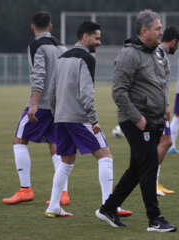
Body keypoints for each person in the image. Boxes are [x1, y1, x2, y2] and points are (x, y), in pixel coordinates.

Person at [95, 9, 176, 232]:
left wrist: (165, 105)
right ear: (144, 31)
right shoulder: (129, 55)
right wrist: (138, 118)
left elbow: (161, 83)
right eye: (158, 29)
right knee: (149, 164)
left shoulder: (157, 52)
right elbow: (118, 92)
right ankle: (155, 219)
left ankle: (108, 208)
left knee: (137, 168)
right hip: (137, 121)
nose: (162, 32)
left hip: (155, 119)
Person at [46, 21, 132, 218]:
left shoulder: (62, 58)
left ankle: (53, 206)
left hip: (61, 119)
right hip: (80, 118)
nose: (99, 42)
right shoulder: (86, 58)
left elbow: (51, 92)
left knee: (66, 162)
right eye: (97, 38)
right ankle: (108, 206)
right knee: (106, 157)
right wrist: (93, 119)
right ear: (85, 37)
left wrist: (56, 114)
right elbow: (86, 93)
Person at [2, 11, 70, 205]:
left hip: (41, 105)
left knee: (19, 140)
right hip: (59, 104)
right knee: (55, 145)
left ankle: (25, 190)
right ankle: (63, 194)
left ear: (32, 27)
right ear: (51, 26)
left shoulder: (36, 45)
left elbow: (38, 76)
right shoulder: (62, 46)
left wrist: (33, 105)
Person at [156, 26, 179, 196]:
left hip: (158, 105)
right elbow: (158, 81)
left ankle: (154, 182)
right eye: (178, 44)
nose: (178, 48)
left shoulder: (160, 53)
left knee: (165, 142)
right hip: (156, 107)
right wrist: (164, 105)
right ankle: (151, 182)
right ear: (173, 42)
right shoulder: (159, 53)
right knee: (165, 141)